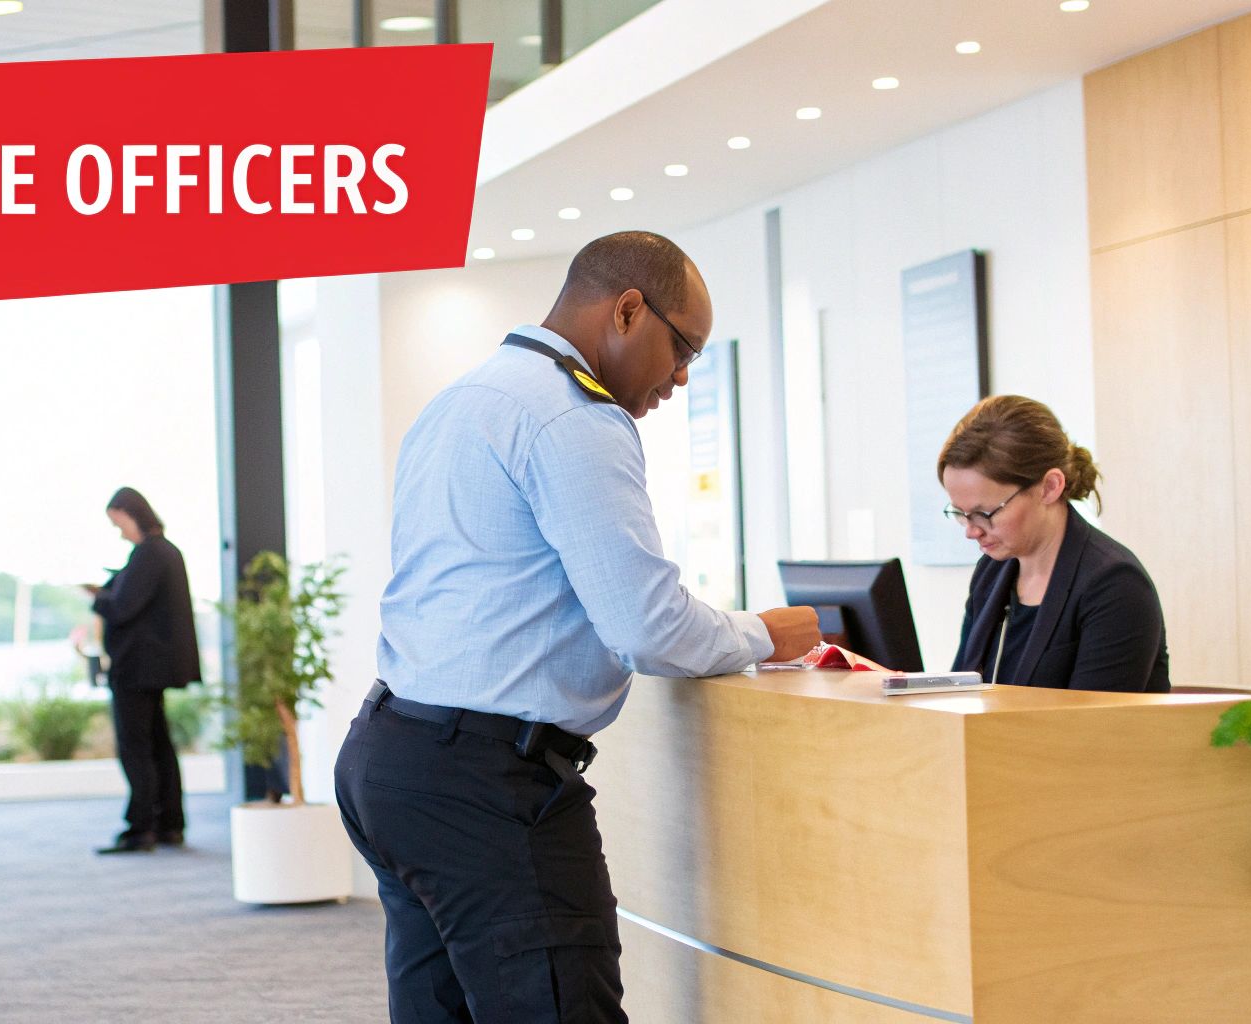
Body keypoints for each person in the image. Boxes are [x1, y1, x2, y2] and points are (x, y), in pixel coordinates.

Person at [334, 231, 821, 1023]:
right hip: (487, 787)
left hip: (391, 756)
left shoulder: (463, 398)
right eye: (683, 347)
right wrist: (763, 633)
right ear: (627, 310)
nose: (682, 376)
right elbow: (649, 628)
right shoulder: (574, 418)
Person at [939, 395, 1169, 692]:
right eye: (960, 513)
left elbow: (1092, 718)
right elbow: (962, 692)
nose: (971, 531)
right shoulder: (991, 573)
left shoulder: (1115, 585)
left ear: (1049, 487)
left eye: (984, 514)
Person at [86, 487, 201, 854]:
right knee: (158, 744)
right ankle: (169, 823)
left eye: (117, 522)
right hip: (153, 668)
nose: (119, 532)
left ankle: (141, 828)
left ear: (129, 513)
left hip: (136, 668)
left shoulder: (149, 553)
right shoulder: (166, 552)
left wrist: (98, 597)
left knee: (136, 746)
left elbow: (122, 607)